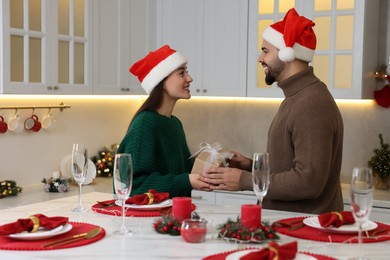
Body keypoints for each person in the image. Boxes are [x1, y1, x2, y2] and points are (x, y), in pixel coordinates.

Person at [203, 8, 344, 214]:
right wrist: (251, 166)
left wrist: (245, 180)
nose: (260, 58)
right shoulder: (298, 96)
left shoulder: (311, 103)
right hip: (293, 225)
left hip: (305, 230)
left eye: (266, 50)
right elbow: (289, 169)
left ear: (287, 53)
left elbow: (308, 181)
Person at [117, 45, 209, 197]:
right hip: (148, 220)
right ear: (161, 82)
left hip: (171, 217)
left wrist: (210, 167)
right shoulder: (145, 124)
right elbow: (133, 186)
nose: (189, 78)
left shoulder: (174, 123)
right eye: (182, 73)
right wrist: (187, 181)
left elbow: (183, 173)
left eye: (187, 72)